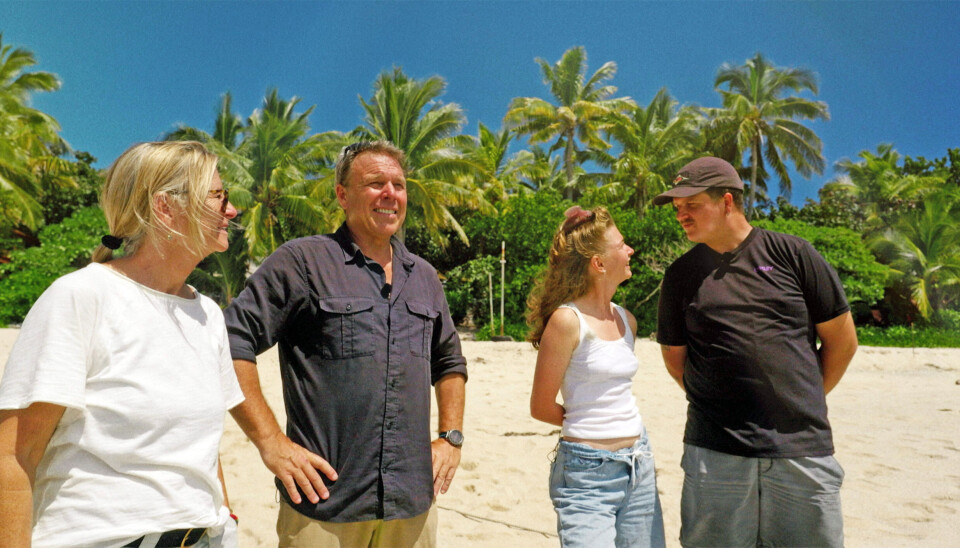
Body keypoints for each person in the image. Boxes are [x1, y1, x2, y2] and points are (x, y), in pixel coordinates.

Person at [0, 141, 244, 548]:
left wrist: (228, 521)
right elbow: (13, 456)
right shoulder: (81, 296)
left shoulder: (207, 314)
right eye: (218, 196)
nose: (231, 210)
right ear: (166, 207)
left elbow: (200, 449)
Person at [223, 140, 467, 547]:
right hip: (324, 506)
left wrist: (451, 437)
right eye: (375, 183)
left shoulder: (424, 276)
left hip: (412, 504)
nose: (390, 194)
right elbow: (230, 342)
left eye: (399, 185)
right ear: (342, 194)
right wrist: (270, 443)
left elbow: (449, 362)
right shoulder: (302, 262)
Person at [652, 157, 859, 548]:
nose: (681, 215)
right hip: (715, 450)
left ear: (727, 202)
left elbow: (842, 341)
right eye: (677, 208)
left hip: (801, 449)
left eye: (691, 204)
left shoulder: (794, 254)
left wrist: (802, 398)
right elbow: (675, 361)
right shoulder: (680, 275)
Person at [528, 205, 666, 548]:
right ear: (599, 263)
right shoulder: (566, 321)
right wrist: (591, 427)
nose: (630, 249)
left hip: (639, 464)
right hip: (586, 474)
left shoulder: (627, 320)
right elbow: (541, 406)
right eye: (621, 244)